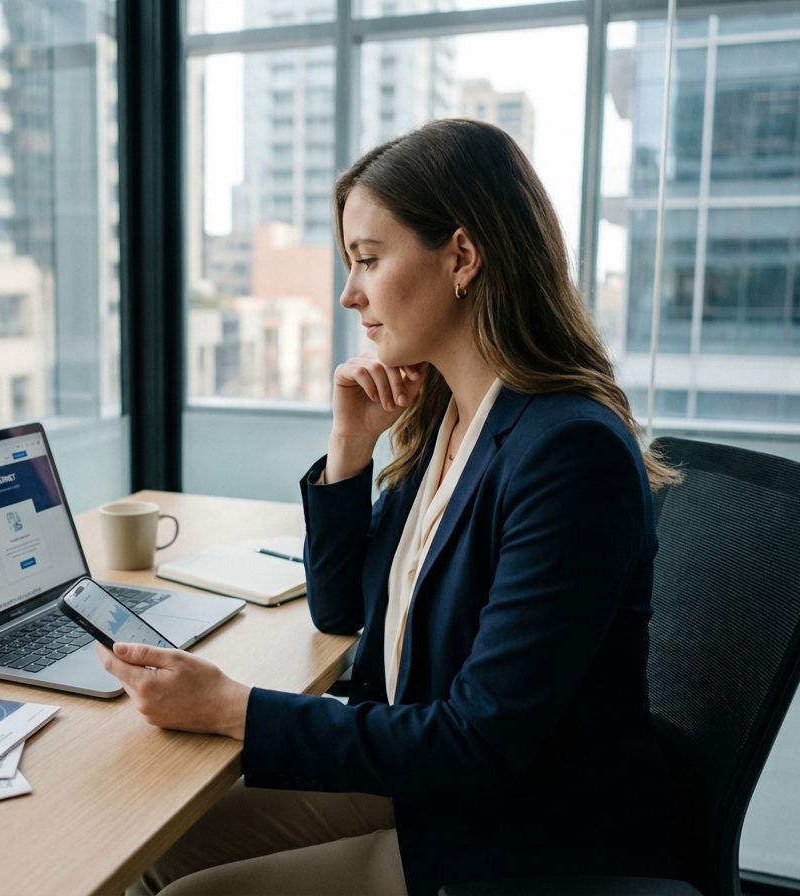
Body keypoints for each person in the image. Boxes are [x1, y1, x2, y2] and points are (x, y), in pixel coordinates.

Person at [98, 118, 681, 896]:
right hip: (425, 782)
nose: (349, 294)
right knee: (153, 843)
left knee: (186, 891)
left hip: (513, 830)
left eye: (369, 259)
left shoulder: (569, 453)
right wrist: (351, 448)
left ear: (463, 257)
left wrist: (233, 707)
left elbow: (481, 743)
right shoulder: (452, 417)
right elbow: (341, 609)